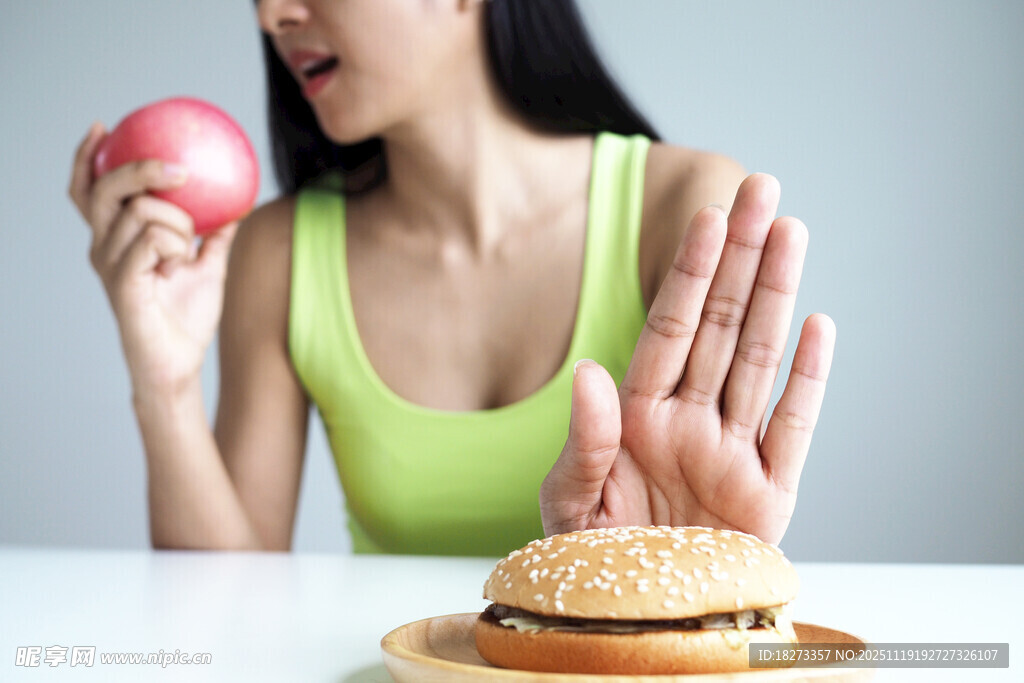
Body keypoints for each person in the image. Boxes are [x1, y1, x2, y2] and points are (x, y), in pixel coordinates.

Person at [68, 0, 835, 555]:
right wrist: (165, 384)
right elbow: (226, 606)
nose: (272, 15)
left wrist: (708, 560)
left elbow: (709, 554)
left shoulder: (684, 209)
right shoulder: (278, 250)